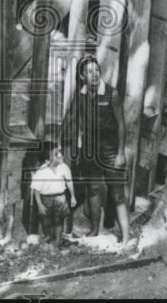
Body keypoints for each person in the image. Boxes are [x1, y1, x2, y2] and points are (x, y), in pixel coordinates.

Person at [61, 55, 132, 246]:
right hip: (90, 150)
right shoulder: (81, 94)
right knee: (93, 189)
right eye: (90, 72)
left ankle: (126, 237)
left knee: (117, 193)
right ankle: (94, 230)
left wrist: (120, 153)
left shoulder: (112, 94)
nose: (95, 75)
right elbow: (71, 118)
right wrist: (61, 141)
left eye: (97, 71)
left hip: (110, 149)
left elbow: (121, 125)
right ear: (83, 76)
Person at [30, 141, 76, 244]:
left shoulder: (64, 167)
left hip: (60, 197)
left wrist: (73, 196)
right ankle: (48, 236)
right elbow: (36, 190)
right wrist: (40, 205)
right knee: (46, 220)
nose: (60, 155)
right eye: (56, 154)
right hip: (45, 199)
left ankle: (58, 241)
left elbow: (69, 181)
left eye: (60, 152)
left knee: (58, 220)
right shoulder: (41, 171)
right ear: (47, 160)